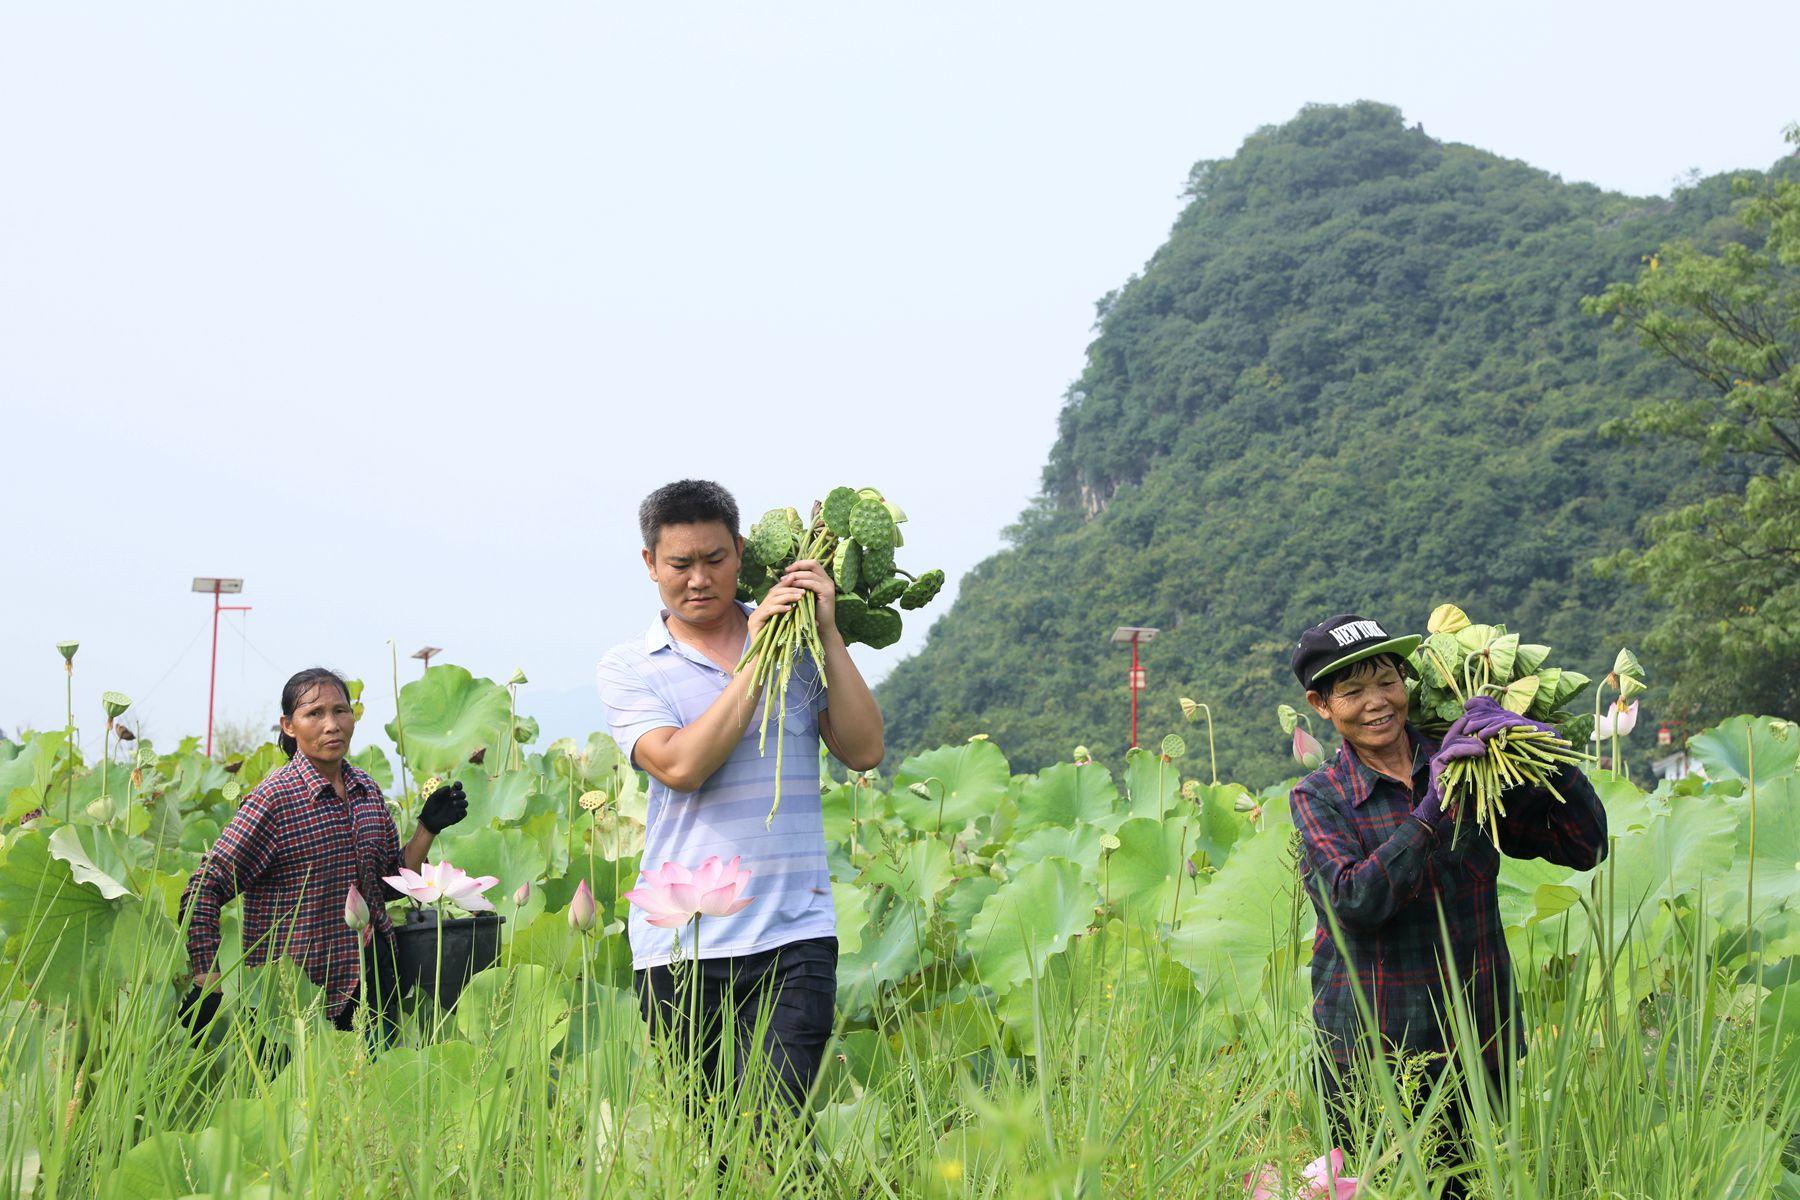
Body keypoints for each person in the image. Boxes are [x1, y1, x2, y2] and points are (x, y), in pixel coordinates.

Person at [1287, 614, 1608, 1199]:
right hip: (1376, 1056)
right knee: (1390, 1189)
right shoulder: (1319, 797)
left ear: (1407, 681)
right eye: (1352, 692)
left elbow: (1583, 846)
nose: (1377, 702)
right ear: (1320, 705)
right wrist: (1433, 807)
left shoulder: (1471, 762)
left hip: (1480, 1036)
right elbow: (1355, 900)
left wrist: (1541, 746)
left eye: (1387, 681)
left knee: (1478, 1186)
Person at [597, 479, 884, 1114]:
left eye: (715, 559)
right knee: (724, 1142)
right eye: (680, 564)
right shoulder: (630, 666)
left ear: (742, 551)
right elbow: (680, 766)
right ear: (650, 565)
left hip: (793, 931)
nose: (699, 578)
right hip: (680, 940)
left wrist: (827, 630)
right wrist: (759, 656)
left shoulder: (802, 643)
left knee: (776, 1118)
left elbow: (864, 751)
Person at [178, 667, 469, 1041]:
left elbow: (391, 886)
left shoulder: (367, 790)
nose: (331, 724)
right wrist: (208, 979)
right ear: (288, 725)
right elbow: (204, 888)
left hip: (373, 983)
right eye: (314, 714)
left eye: (340, 711)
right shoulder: (273, 800)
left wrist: (427, 827)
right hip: (295, 1005)